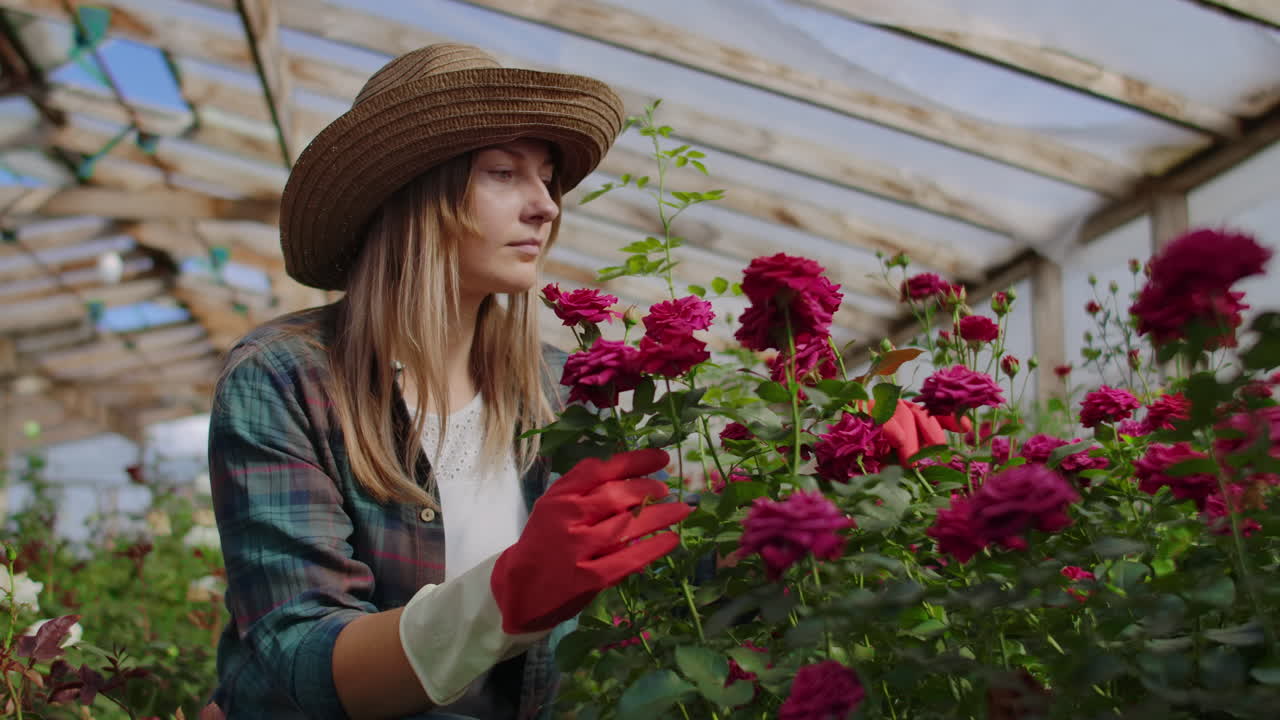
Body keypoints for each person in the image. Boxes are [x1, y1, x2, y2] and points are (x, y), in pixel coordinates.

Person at [205, 44, 691, 719]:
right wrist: (508, 593)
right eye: (503, 173)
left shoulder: (561, 389)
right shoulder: (288, 378)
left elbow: (682, 554)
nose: (545, 206)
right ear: (415, 194)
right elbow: (297, 654)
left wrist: (839, 480)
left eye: (547, 178)